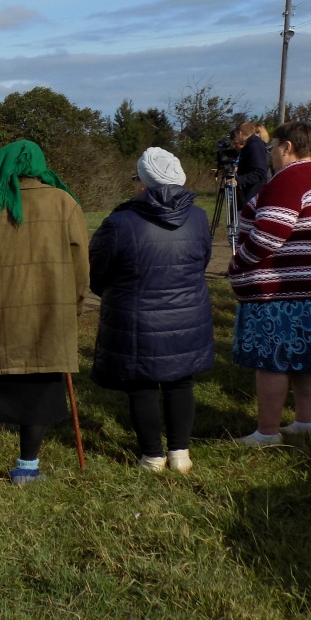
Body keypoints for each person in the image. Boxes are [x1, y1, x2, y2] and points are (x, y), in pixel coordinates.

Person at [0, 140, 90, 485]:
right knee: (40, 390)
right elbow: (81, 267)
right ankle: (27, 468)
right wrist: (75, 307)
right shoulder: (66, 203)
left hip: (1, 318)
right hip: (51, 318)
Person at [90, 148, 214, 472]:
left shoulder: (119, 222)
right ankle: (180, 454)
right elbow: (202, 262)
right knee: (180, 382)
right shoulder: (199, 218)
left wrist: (109, 291)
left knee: (142, 384)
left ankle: (152, 456)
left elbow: (98, 270)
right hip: (186, 315)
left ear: (144, 183)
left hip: (137, 317)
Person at [227, 122, 311, 444]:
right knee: (308, 358)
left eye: (273, 146)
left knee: (272, 361)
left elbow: (269, 232)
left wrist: (238, 263)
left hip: (279, 288)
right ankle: (306, 422)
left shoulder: (289, 179)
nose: (271, 153)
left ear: (286, 147)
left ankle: (267, 431)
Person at [228, 121, 269, 208]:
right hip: (248, 192)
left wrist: (239, 180)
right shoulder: (251, 145)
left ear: (240, 133)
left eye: (236, 135)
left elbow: (259, 171)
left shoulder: (254, 146)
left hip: (252, 193)